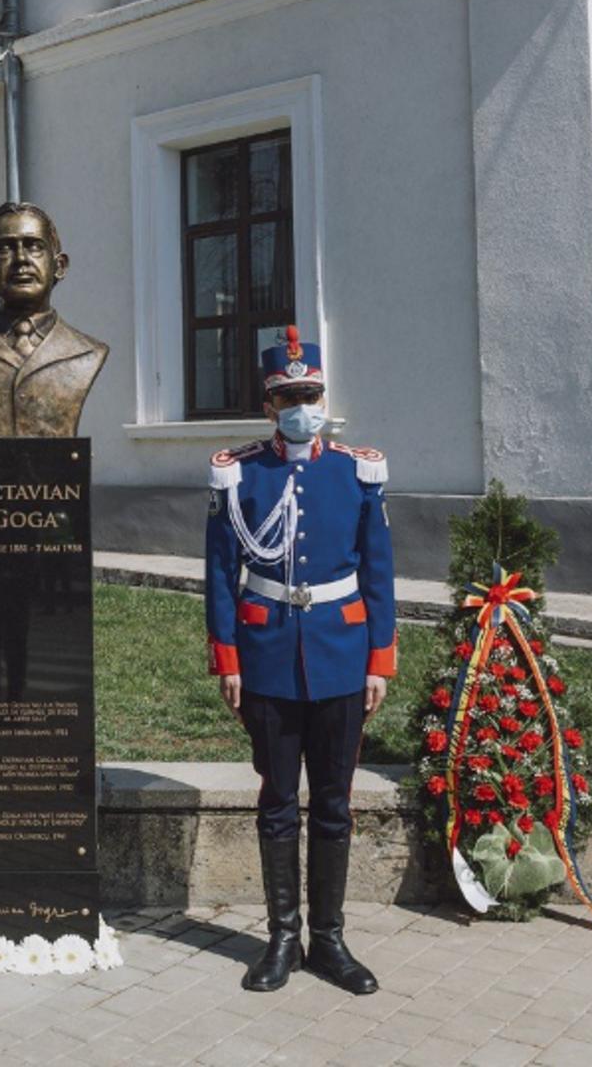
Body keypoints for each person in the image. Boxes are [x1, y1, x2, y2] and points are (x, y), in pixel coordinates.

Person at [204, 326, 394, 996]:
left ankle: (331, 940)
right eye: (288, 395)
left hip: (343, 656)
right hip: (268, 656)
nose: (300, 405)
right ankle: (283, 937)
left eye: (310, 393)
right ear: (267, 403)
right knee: (279, 800)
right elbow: (221, 571)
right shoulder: (240, 473)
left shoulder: (356, 470)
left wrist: (380, 660)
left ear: (324, 397)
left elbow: (378, 572)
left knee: (336, 802)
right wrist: (227, 659)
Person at [0, 202, 109, 437]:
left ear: (59, 266)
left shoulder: (88, 352)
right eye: (5, 249)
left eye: (34, 246)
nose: (21, 259)